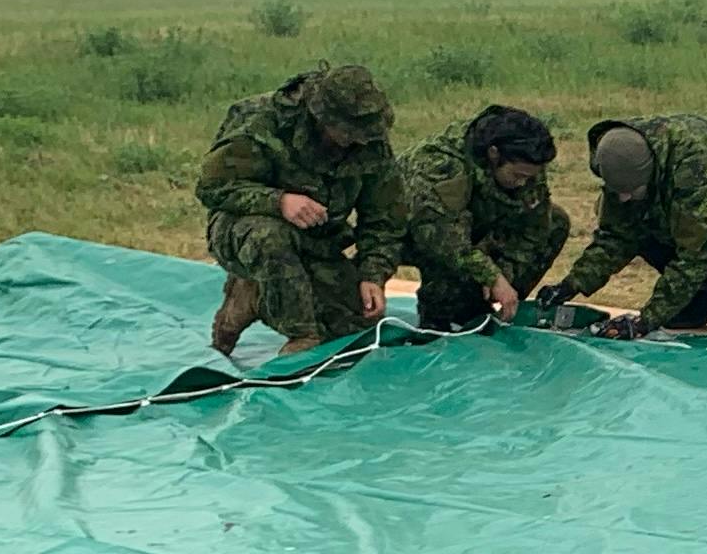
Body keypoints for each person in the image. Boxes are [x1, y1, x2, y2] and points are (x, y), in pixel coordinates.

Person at [196, 62, 412, 357]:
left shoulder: (368, 141)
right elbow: (212, 186)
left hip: (317, 241)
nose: (358, 140)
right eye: (349, 131)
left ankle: (250, 298)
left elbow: (385, 217)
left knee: (357, 324)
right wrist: (278, 201)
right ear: (323, 118)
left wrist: (372, 275)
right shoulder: (261, 123)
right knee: (269, 237)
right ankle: (301, 335)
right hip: (245, 232)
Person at [548, 114, 707, 339]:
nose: (624, 198)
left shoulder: (696, 166)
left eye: (632, 190)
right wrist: (571, 285)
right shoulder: (618, 158)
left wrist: (646, 320)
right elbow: (616, 236)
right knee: (638, 220)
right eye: (619, 192)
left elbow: (693, 252)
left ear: (651, 173)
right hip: (702, 213)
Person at [396, 105, 570, 334]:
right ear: (494, 154)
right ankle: (441, 311)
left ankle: (477, 302)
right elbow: (443, 240)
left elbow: (534, 227)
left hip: (473, 226)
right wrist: (491, 275)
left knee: (556, 222)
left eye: (530, 177)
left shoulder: (526, 163)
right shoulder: (441, 165)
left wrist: (504, 273)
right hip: (414, 233)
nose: (523, 183)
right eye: (517, 176)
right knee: (449, 280)